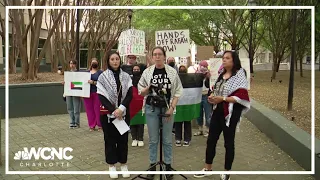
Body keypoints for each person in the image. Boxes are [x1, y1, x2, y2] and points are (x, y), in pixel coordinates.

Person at [194, 51, 250, 180]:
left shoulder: (240, 75)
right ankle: (207, 168)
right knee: (211, 140)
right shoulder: (220, 74)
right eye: (223, 58)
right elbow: (214, 89)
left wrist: (223, 99)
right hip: (217, 111)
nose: (224, 60)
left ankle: (227, 171)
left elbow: (241, 97)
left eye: (227, 58)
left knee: (228, 143)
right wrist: (212, 97)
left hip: (230, 113)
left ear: (234, 60)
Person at [138, 46, 183, 180]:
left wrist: (172, 108)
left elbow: (178, 91)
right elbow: (141, 91)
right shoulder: (147, 72)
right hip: (152, 109)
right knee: (153, 140)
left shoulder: (172, 72)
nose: (157, 57)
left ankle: (168, 166)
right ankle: (152, 166)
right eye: (155, 54)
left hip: (168, 108)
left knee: (168, 140)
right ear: (152, 57)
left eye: (160, 54)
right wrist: (149, 87)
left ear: (164, 56)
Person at [97, 51, 133, 179]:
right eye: (112, 59)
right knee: (110, 140)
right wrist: (114, 110)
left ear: (120, 60)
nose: (115, 61)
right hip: (108, 115)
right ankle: (111, 165)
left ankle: (123, 164)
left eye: (117, 59)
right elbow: (101, 96)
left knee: (123, 140)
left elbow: (130, 94)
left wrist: (121, 109)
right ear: (108, 61)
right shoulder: (103, 77)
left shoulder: (126, 76)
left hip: (123, 114)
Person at [83, 58, 103, 132]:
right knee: (89, 110)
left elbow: (103, 83)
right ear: (90, 63)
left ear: (97, 63)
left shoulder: (100, 72)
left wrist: (93, 82)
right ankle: (92, 125)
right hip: (87, 94)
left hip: (97, 93)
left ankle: (100, 125)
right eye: (92, 62)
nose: (94, 63)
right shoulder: (86, 73)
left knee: (97, 109)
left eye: (95, 62)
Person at [174, 65, 192, 147]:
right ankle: (178, 138)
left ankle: (187, 139)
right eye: (181, 69)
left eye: (183, 69)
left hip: (187, 104)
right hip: (178, 103)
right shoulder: (176, 79)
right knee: (178, 121)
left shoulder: (190, 78)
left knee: (187, 122)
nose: (182, 70)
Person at [194, 60, 211, 137]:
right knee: (199, 114)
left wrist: (209, 77)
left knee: (208, 114)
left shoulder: (209, 75)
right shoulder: (196, 74)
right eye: (202, 66)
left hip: (207, 96)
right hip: (198, 96)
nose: (203, 68)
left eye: (205, 66)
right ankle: (200, 129)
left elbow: (211, 85)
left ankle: (207, 130)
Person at [63, 59, 81, 129]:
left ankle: (77, 123)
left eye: (73, 64)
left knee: (76, 109)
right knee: (70, 108)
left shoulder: (79, 73)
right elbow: (66, 82)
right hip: (68, 92)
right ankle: (71, 122)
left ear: (75, 65)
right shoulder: (67, 74)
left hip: (76, 92)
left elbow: (80, 83)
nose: (72, 65)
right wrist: (64, 83)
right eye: (70, 63)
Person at [130, 64, 145, 147]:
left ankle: (140, 138)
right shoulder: (129, 79)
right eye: (134, 69)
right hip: (132, 103)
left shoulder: (143, 79)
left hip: (141, 102)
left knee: (140, 121)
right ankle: (134, 138)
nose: (136, 71)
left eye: (137, 69)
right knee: (133, 121)